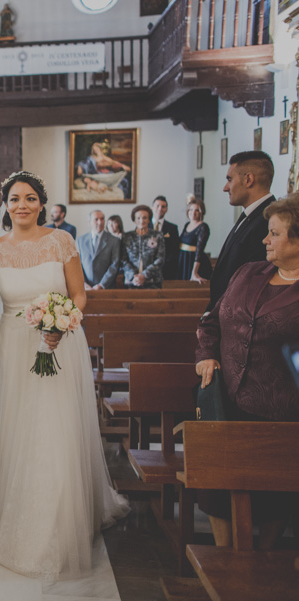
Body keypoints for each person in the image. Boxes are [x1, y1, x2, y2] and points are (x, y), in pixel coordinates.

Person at [0, 171, 128, 581]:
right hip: (13, 345)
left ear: (41, 203)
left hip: (58, 342)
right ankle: (16, 512)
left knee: (53, 428)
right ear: (5, 204)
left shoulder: (61, 241)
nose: (22, 205)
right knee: (18, 428)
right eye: (15, 198)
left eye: (30, 198)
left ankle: (57, 523)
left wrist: (64, 321)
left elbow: (79, 293)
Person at [195, 193, 299, 549]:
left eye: (274, 233)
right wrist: (207, 353)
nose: (265, 240)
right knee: (216, 487)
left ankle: (265, 559)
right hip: (226, 400)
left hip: (278, 409)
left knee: (273, 494)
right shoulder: (248, 273)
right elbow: (210, 320)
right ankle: (225, 559)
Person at [207, 151, 276, 311]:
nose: (225, 188)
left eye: (229, 180)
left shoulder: (270, 220)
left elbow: (255, 285)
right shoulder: (251, 214)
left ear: (248, 179)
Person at [121, 205, 165, 289]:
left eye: (145, 218)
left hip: (153, 281)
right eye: (138, 218)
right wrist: (134, 276)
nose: (141, 221)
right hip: (131, 281)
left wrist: (144, 275)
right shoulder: (127, 236)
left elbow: (160, 259)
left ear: (149, 220)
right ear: (134, 220)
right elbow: (123, 259)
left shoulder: (157, 235)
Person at [77, 209, 121, 289]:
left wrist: (102, 285)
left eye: (102, 219)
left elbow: (114, 265)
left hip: (106, 288)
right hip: (85, 288)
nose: (100, 222)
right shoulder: (80, 240)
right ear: (89, 223)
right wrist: (83, 283)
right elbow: (77, 264)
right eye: (96, 219)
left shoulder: (114, 240)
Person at [178, 200, 212, 283]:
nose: (193, 212)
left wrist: (194, 272)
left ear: (201, 212)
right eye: (191, 209)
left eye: (197, 210)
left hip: (195, 263)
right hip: (184, 260)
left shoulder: (203, 227)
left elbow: (199, 251)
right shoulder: (187, 225)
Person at [151, 196, 181, 280]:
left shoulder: (172, 228)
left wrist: (162, 264)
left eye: (163, 206)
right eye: (157, 206)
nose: (160, 209)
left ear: (166, 209)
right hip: (147, 269)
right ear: (152, 207)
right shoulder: (143, 226)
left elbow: (174, 250)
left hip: (166, 269)